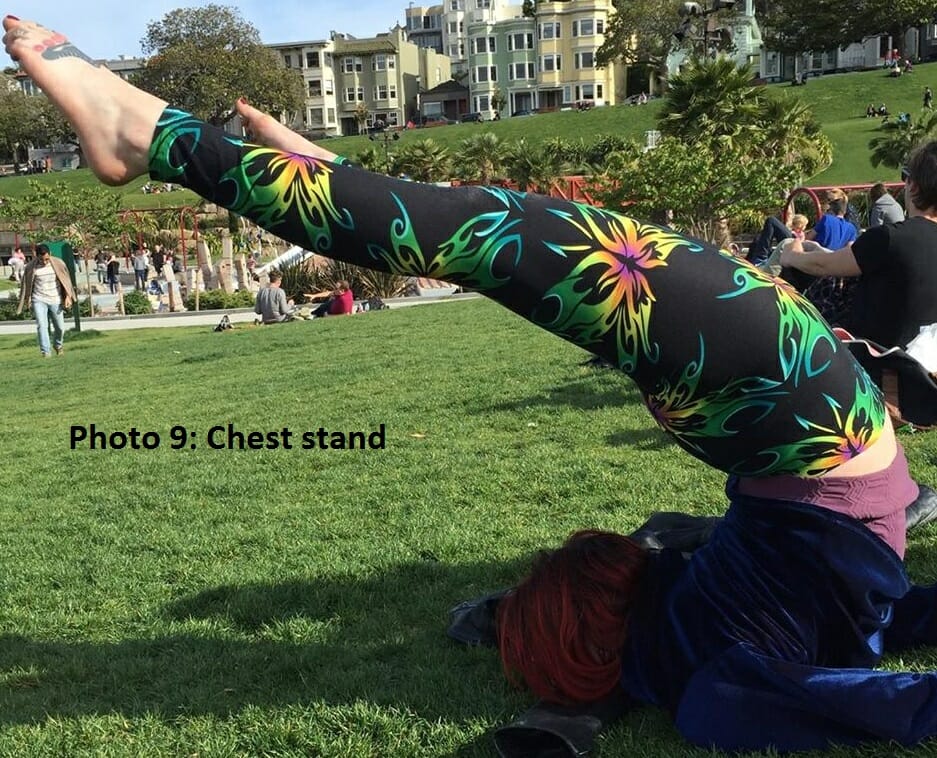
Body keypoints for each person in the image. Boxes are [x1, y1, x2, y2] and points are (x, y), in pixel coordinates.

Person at [7, 17, 937, 752]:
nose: (626, 557)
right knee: (500, 238)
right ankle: (157, 139)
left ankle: (300, 175)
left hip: (797, 414)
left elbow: (838, 622)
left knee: (500, 240)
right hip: (791, 414)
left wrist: (558, 667)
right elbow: (831, 695)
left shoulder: (711, 620)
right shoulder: (713, 658)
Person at [783, 148, 937, 351]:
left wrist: (792, 254)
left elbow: (822, 265)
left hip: (870, 359)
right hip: (921, 364)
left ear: (914, 187)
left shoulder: (889, 238)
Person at [16, 242, 74, 357]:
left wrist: (68, 296)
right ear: (36, 256)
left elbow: (66, 281)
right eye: (41, 259)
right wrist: (27, 299)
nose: (44, 262)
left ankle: (58, 345)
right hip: (39, 299)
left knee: (60, 327)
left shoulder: (58, 263)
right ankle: (45, 352)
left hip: (55, 298)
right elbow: (26, 285)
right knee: (42, 325)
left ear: (50, 254)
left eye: (47, 259)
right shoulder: (31, 267)